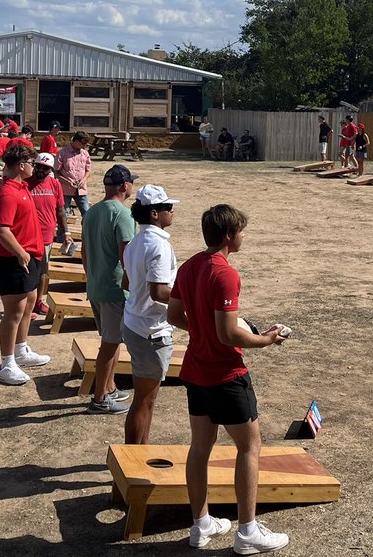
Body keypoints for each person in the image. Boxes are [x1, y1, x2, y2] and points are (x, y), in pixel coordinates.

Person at [167, 204, 290, 554]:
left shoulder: (189, 266)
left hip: (195, 370)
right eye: (241, 231)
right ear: (228, 237)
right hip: (225, 374)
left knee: (199, 448)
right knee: (249, 447)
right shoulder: (225, 274)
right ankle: (248, 531)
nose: (243, 236)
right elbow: (228, 334)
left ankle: (200, 524)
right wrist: (266, 339)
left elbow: (174, 314)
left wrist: (201, 330)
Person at [122, 184, 180, 444]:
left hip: (135, 323)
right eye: (168, 207)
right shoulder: (159, 246)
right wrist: (190, 298)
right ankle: (131, 457)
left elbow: (126, 282)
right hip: (151, 331)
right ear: (154, 213)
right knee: (144, 401)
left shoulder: (135, 242)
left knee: (147, 400)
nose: (172, 211)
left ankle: (141, 450)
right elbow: (159, 292)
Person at [0, 144, 50, 385]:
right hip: (14, 260)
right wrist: (21, 253)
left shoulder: (21, 187)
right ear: (21, 165)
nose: (34, 167)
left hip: (29, 257)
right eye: (32, 163)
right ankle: (6, 363)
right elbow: (1, 229)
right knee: (14, 313)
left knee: (29, 304)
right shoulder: (8, 193)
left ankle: (21, 350)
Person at [82, 163, 138, 413]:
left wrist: (92, 277)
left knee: (111, 341)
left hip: (96, 286)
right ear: (124, 186)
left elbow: (84, 252)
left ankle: (110, 386)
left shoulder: (92, 212)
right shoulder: (122, 214)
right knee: (109, 345)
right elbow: (127, 256)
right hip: (115, 289)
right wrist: (134, 286)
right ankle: (99, 399)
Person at [27, 152, 70, 320]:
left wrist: (66, 232)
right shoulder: (24, 183)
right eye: (38, 166)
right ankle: (27, 305)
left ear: (51, 170)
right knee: (28, 271)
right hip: (27, 236)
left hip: (46, 237)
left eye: (45, 168)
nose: (40, 170)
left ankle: (39, 301)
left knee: (43, 271)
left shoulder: (55, 185)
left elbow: (60, 210)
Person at [56, 131, 93, 216]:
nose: (84, 146)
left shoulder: (85, 153)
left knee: (87, 213)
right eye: (83, 143)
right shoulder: (62, 153)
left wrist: (83, 180)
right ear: (76, 141)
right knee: (64, 214)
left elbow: (88, 170)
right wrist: (68, 182)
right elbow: (56, 173)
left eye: (86, 144)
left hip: (81, 189)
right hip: (65, 189)